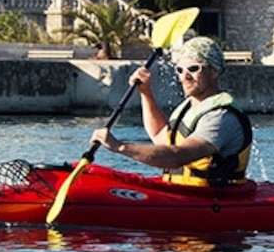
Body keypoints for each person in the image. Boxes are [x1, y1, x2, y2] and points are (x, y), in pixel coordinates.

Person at [97, 34, 253, 183]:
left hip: (214, 199)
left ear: (214, 72)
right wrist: (145, 93)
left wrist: (120, 147)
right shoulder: (188, 107)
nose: (184, 77)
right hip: (183, 192)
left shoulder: (221, 117)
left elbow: (178, 157)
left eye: (193, 69)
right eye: (180, 70)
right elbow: (159, 136)